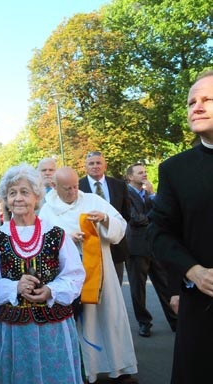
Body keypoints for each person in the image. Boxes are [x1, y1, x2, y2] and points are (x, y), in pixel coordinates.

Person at [39, 167, 137, 384]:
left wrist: (104, 219)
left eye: (75, 186)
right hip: (68, 275)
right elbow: (42, 242)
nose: (74, 191)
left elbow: (120, 225)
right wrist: (65, 238)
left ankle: (119, 367)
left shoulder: (93, 200)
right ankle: (86, 370)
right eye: (67, 188)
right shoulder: (47, 211)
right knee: (81, 323)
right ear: (54, 187)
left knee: (110, 316)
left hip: (102, 272)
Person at [148, 70, 213, 383]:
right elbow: (159, 232)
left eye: (206, 100)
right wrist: (193, 272)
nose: (196, 107)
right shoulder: (175, 169)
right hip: (202, 311)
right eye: (191, 102)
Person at [0, 164, 84, 384]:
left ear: (36, 196)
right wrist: (15, 287)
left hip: (53, 329)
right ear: (5, 198)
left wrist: (51, 290)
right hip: (13, 332)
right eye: (12, 193)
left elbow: (75, 275)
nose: (18, 198)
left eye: (24, 192)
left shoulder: (56, 233)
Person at [125, 163, 177, 337]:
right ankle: (144, 322)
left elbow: (162, 211)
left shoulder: (148, 193)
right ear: (130, 177)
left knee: (164, 285)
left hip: (154, 247)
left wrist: (153, 195)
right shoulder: (126, 194)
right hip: (136, 248)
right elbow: (134, 218)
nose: (144, 175)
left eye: (145, 172)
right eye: (140, 173)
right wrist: (154, 218)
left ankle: (175, 320)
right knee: (138, 289)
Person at [79, 151, 131, 285]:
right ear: (86, 167)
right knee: (93, 287)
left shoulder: (119, 185)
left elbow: (125, 214)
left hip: (115, 245)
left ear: (105, 166)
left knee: (116, 287)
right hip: (89, 245)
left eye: (98, 163)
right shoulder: (78, 187)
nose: (95, 166)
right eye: (91, 163)